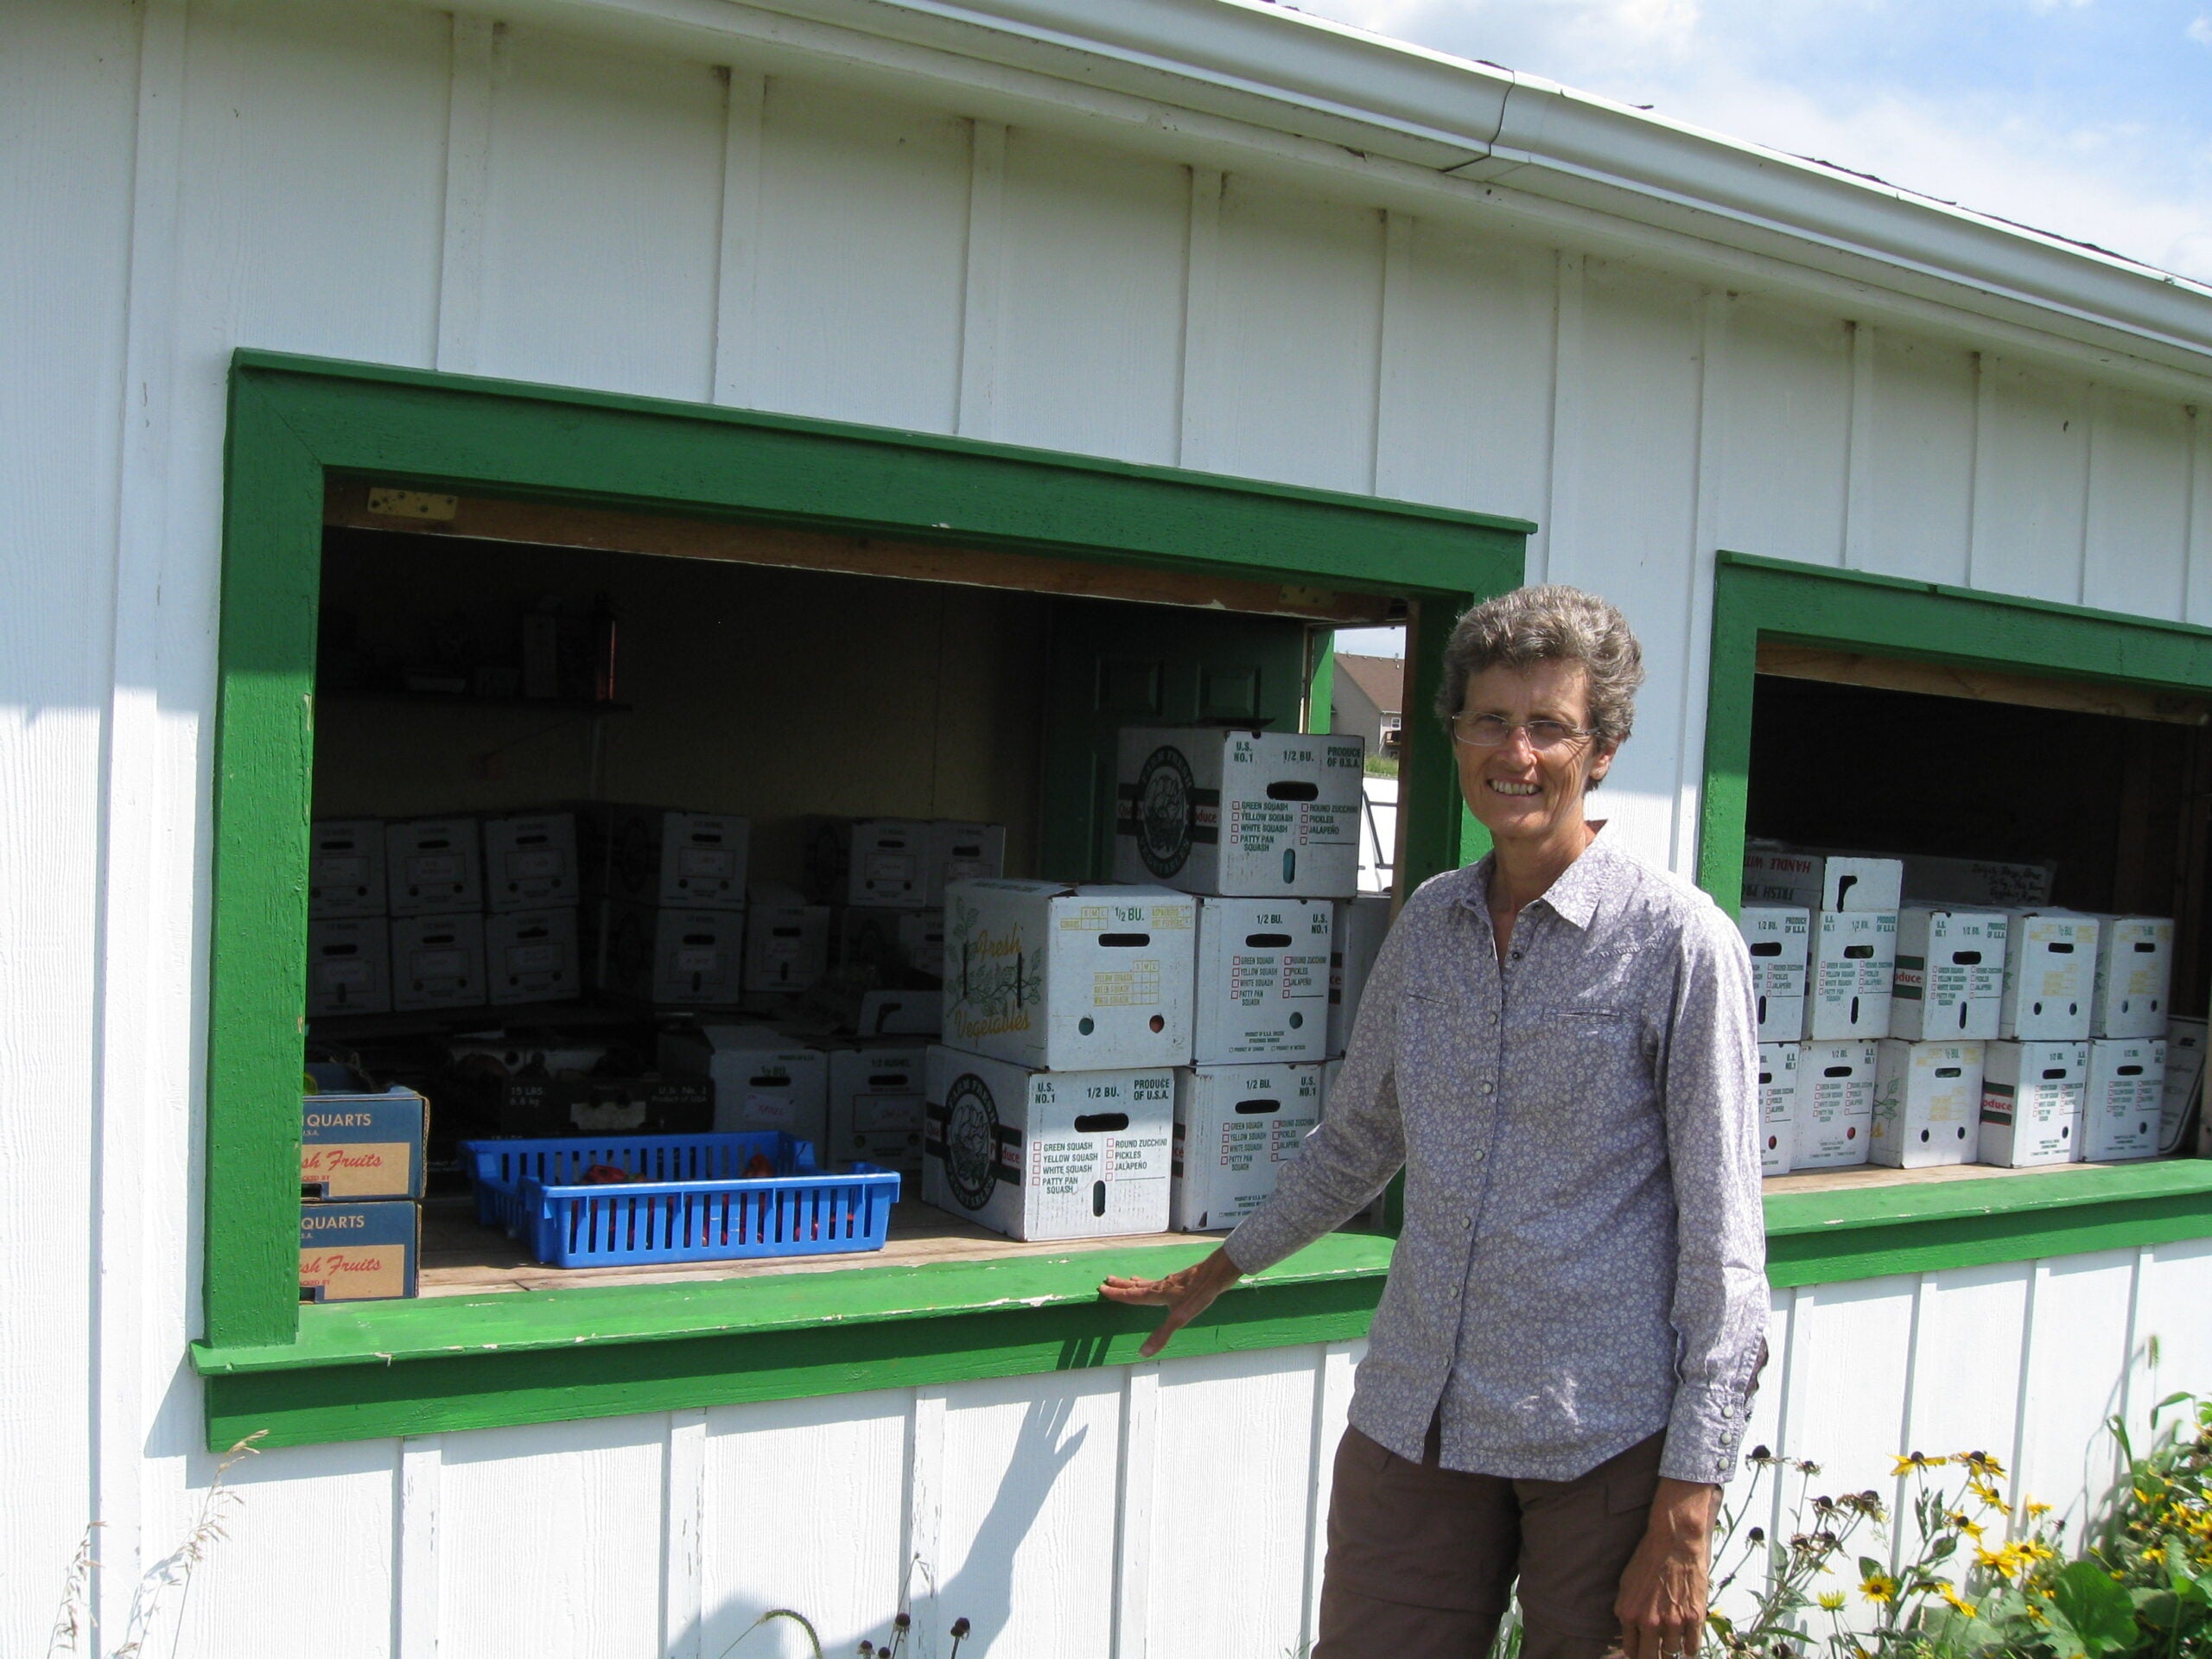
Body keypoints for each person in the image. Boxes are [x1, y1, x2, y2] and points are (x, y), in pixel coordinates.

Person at [1102, 585, 1765, 1659]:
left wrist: (1687, 1503)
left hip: (1599, 1438)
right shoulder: (1431, 927)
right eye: (1490, 720)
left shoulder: (1679, 946)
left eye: (1549, 725)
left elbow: (1725, 1251)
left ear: (1600, 751)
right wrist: (1224, 1266)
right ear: (1453, 736)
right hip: (1419, 1421)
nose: (1518, 751)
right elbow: (1361, 1139)